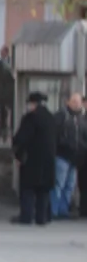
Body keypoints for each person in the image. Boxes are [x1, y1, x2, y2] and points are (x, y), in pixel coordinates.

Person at [12, 92, 57, 226]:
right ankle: (41, 218)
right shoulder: (51, 118)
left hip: (32, 159)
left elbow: (22, 138)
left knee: (28, 189)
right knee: (43, 191)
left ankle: (26, 216)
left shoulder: (30, 118)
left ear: (33, 104)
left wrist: (18, 155)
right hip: (48, 160)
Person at [50, 92, 86, 220]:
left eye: (78, 102)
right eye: (74, 101)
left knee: (69, 186)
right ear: (68, 102)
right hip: (62, 155)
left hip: (75, 158)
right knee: (58, 184)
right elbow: (54, 135)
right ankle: (54, 210)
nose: (77, 104)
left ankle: (63, 210)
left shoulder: (81, 118)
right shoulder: (61, 116)